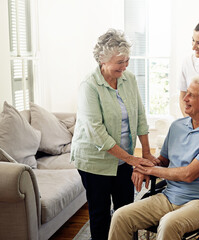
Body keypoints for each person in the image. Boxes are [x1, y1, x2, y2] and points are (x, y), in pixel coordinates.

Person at [108, 75, 199, 240]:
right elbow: (162, 161)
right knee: (121, 215)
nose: (185, 99)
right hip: (168, 196)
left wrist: (152, 169)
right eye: (186, 93)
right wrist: (143, 167)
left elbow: (188, 174)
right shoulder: (177, 126)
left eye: (192, 95)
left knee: (169, 223)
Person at [71, 29, 157, 240]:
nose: (125, 66)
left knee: (126, 211)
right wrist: (131, 159)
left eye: (127, 60)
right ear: (103, 60)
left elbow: (139, 115)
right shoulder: (89, 86)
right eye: (120, 62)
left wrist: (145, 152)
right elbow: (97, 133)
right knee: (100, 214)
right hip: (94, 161)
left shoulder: (129, 79)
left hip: (123, 160)